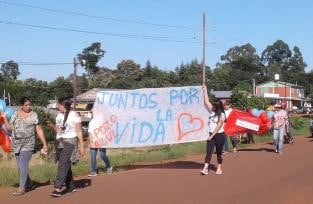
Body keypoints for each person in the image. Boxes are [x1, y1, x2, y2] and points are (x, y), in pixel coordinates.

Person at [1, 97, 48, 196]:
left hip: (29, 143)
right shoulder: (15, 114)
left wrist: (44, 143)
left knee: (23, 164)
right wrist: (4, 117)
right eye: (26, 105)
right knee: (20, 166)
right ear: (22, 106)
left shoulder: (34, 115)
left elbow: (39, 130)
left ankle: (21, 188)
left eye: (29, 104)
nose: (28, 106)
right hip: (16, 143)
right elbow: (9, 128)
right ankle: (28, 183)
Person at [48, 97, 85, 197]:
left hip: (70, 141)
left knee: (63, 163)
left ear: (63, 105)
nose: (57, 106)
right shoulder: (59, 116)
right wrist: (53, 128)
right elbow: (59, 131)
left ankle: (58, 187)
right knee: (65, 163)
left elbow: (79, 131)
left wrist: (82, 146)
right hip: (60, 141)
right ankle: (71, 186)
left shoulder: (74, 115)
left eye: (59, 104)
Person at [201, 86, 226, 175]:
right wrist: (205, 91)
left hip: (219, 135)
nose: (212, 107)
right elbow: (206, 101)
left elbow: (219, 126)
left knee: (219, 152)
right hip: (211, 134)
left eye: (214, 106)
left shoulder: (222, 115)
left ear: (218, 107)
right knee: (209, 152)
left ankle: (219, 168)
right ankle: (205, 168)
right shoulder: (212, 111)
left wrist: (211, 136)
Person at [87, 104, 113, 177]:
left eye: (92, 110)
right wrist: (91, 140)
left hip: (102, 140)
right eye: (90, 111)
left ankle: (109, 166)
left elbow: (107, 128)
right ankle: (94, 171)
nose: (91, 112)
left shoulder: (102, 119)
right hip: (93, 141)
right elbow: (90, 132)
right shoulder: (91, 122)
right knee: (93, 156)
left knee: (102, 155)